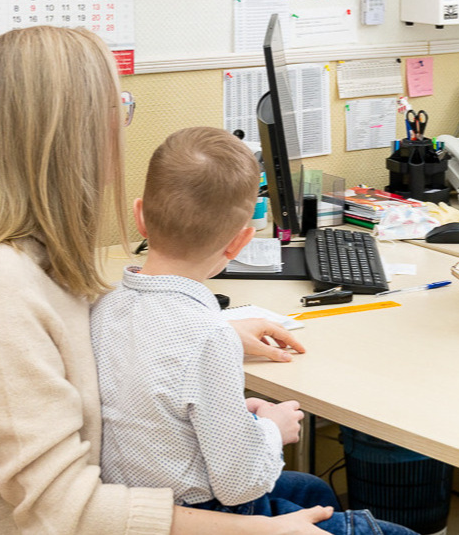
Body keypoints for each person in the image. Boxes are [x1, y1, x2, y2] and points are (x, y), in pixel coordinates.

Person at [0, 25, 331, 535]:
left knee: (313, 492)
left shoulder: (28, 251)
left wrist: (203, 336)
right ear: (71, 133)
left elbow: (65, 350)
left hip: (80, 502)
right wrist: (264, 532)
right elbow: (61, 509)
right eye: (118, 106)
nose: (123, 126)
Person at [90, 126, 416, 535]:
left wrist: (236, 418)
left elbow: (155, 405)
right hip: (202, 512)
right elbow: (240, 483)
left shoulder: (105, 307)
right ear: (240, 243)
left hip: (134, 494)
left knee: (313, 491)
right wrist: (272, 430)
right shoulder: (210, 338)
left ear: (140, 215)